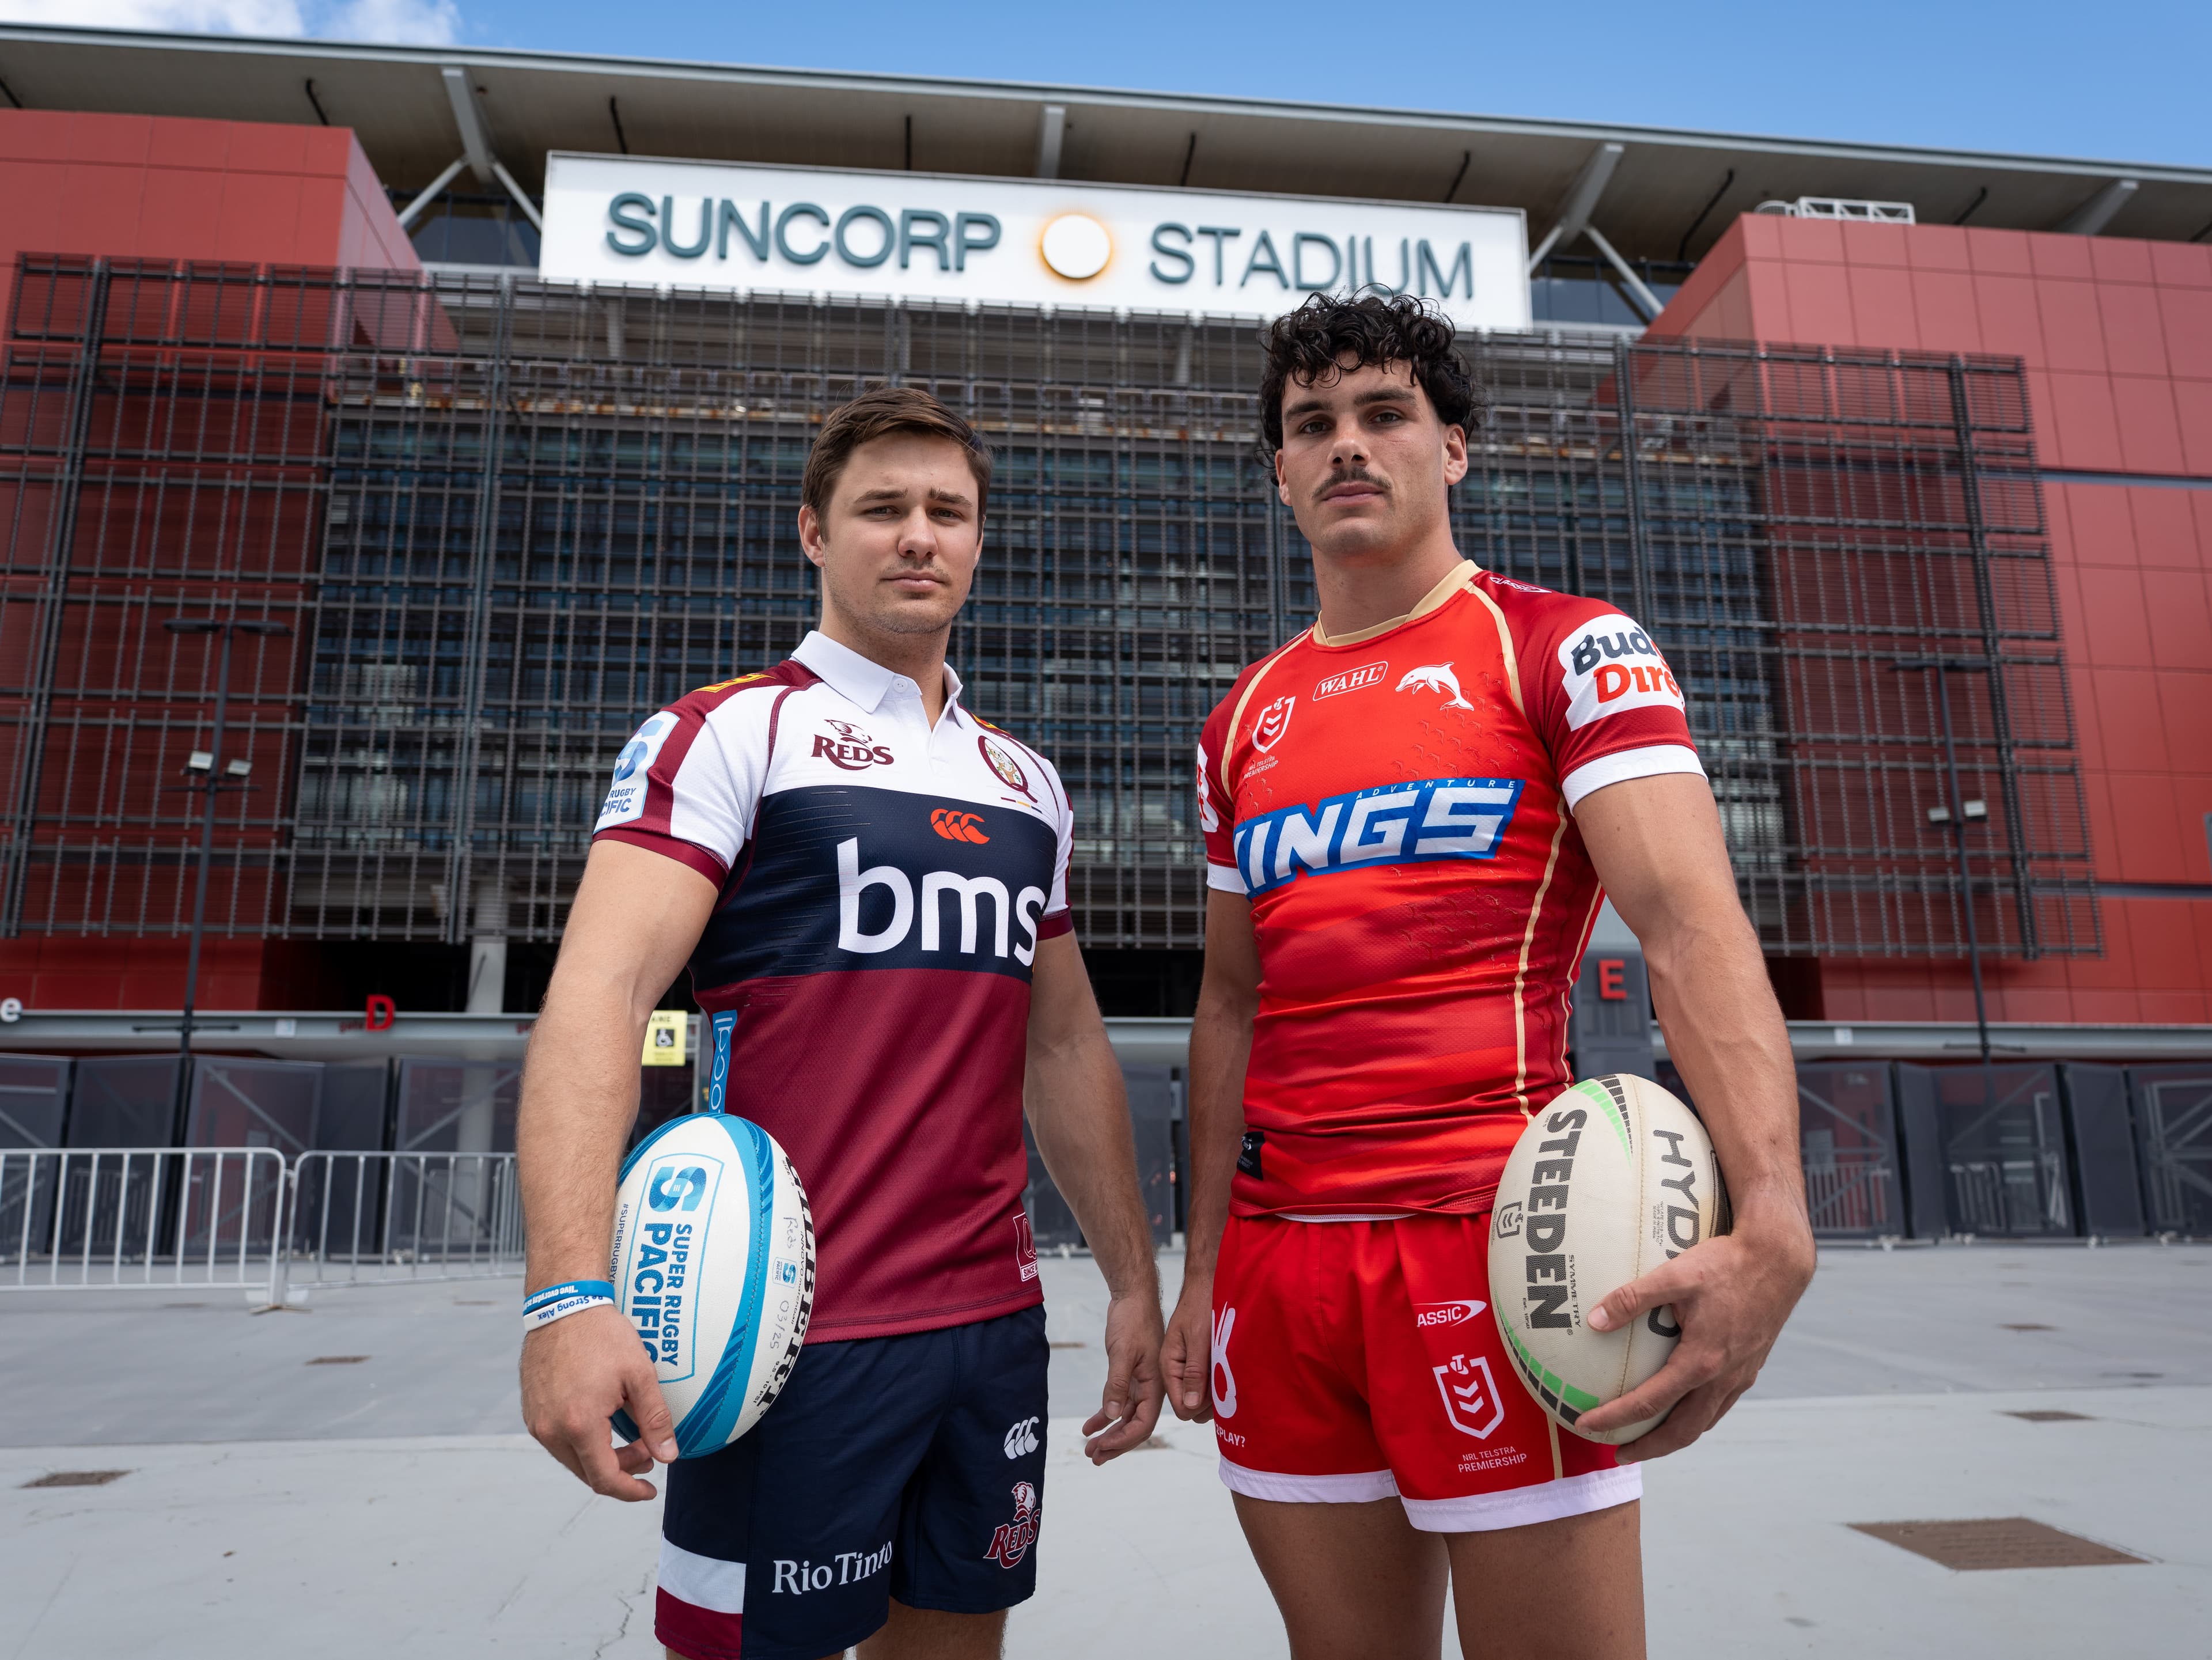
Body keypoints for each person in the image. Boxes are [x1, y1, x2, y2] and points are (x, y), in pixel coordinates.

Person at [1158, 293, 1816, 1660]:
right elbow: (1232, 1002)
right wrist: (1201, 1266)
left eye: (1384, 413)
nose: (1348, 445)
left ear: (1453, 447)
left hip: (1502, 1248)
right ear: (1280, 471)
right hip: (1281, 1271)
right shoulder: (1240, 720)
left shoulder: (1563, 647)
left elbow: (1689, 924)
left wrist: (1774, 1214)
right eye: (1312, 425)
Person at [516, 386, 1165, 1660]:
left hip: (989, 1329)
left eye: (948, 511)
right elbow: (600, 994)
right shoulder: (726, 733)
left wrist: (1134, 1283)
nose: (919, 535)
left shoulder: (1025, 781)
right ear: (814, 531)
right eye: (883, 508)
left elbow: (1063, 1043)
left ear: (978, 540)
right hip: (783, 1334)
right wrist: (565, 1296)